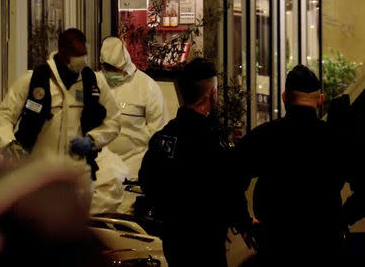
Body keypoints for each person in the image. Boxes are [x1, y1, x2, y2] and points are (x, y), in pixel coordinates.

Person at [236, 65, 365, 266]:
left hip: (276, 245)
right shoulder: (336, 140)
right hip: (325, 245)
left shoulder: (265, 136)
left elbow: (230, 177)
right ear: (320, 100)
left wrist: (244, 222)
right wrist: (341, 220)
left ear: (284, 97)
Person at [138, 58, 251, 267]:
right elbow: (231, 188)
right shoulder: (211, 142)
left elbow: (147, 179)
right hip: (207, 242)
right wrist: (244, 222)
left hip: (172, 240)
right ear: (212, 94)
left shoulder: (165, 137)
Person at [0, 28, 120, 180]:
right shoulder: (34, 80)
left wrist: (93, 140)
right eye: (76, 54)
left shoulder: (93, 82)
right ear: (62, 52)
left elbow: (114, 121)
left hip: (77, 175)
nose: (81, 59)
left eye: (83, 54)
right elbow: (4, 115)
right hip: (37, 173)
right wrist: (10, 144)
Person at [94, 36, 169, 214]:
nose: (109, 72)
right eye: (106, 68)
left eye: (114, 69)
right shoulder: (93, 83)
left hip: (132, 178)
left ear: (124, 66)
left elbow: (159, 135)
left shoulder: (147, 88)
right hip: (99, 177)